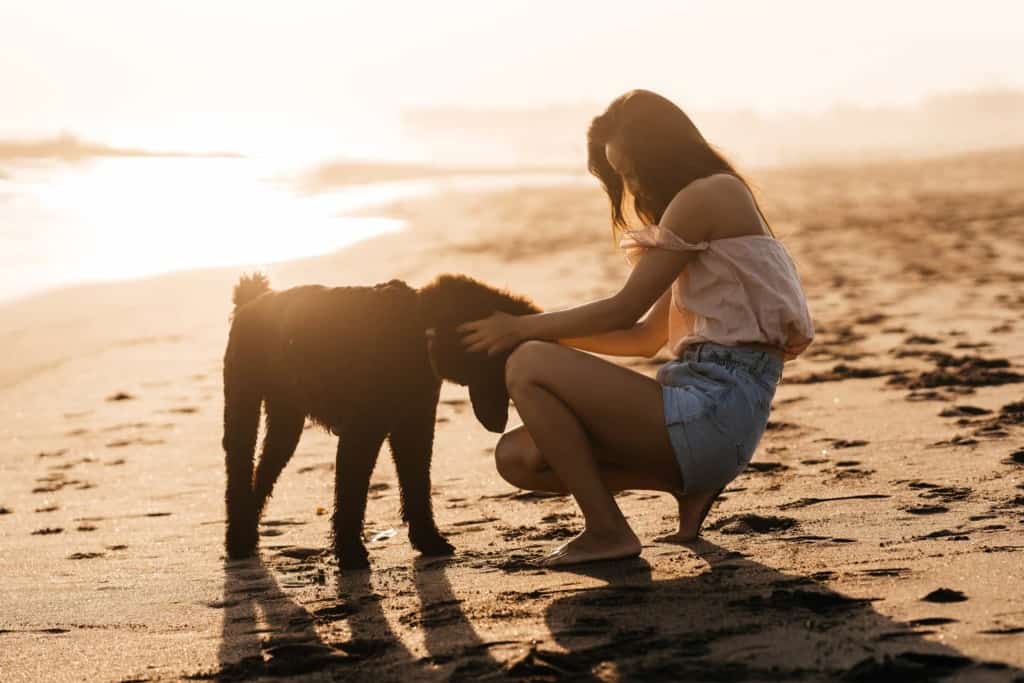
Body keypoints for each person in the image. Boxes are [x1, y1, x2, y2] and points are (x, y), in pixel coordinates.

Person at [457, 89, 814, 567]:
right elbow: (644, 337)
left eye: (631, 171)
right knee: (518, 456)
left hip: (717, 408)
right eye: (622, 175)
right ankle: (683, 485)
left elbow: (623, 310)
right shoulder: (700, 211)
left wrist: (522, 330)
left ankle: (607, 529)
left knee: (528, 362)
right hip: (705, 411)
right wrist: (543, 337)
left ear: (661, 153)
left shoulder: (709, 194)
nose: (632, 186)